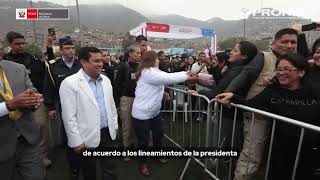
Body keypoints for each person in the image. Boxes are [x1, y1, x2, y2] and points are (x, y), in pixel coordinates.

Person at [216, 53, 320, 180]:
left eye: (287, 69)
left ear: (301, 72)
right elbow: (251, 104)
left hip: (311, 151)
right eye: (279, 69)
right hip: (279, 150)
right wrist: (233, 97)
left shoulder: (315, 91)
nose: (281, 73)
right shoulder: (272, 91)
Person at [222, 28, 299, 180]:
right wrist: (229, 92)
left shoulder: (297, 60)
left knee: (271, 157)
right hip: (258, 114)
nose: (290, 45)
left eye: (293, 42)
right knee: (251, 156)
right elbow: (244, 75)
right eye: (285, 41)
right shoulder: (263, 57)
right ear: (275, 42)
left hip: (282, 117)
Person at [132, 51, 198, 176]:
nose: (159, 60)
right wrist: (186, 76)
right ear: (151, 60)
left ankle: (157, 155)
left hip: (154, 112)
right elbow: (167, 79)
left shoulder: (154, 71)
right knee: (143, 141)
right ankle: (143, 163)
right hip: (142, 114)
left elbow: (169, 75)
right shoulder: (147, 72)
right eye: (157, 58)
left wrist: (186, 73)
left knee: (158, 135)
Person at [59, 47, 118, 180]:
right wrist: (76, 141)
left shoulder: (106, 80)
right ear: (84, 62)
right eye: (96, 61)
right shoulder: (69, 83)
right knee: (89, 173)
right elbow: (68, 116)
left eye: (101, 61)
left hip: (108, 134)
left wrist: (114, 126)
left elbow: (112, 106)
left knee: (111, 170)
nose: (101, 64)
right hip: (86, 138)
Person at [2, 31, 51, 168]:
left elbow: (45, 77)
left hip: (33, 101)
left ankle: (42, 156)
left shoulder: (34, 59)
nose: (21, 46)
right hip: (7, 107)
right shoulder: (4, 61)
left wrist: (39, 96)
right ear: (10, 45)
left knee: (40, 125)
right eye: (17, 44)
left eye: (23, 43)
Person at [42, 36, 82, 180]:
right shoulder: (54, 66)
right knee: (69, 136)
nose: (71, 51)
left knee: (85, 132)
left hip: (84, 105)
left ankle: (85, 160)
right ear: (60, 50)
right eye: (67, 48)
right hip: (65, 106)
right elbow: (49, 88)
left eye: (72, 48)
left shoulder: (81, 64)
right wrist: (51, 107)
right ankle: (74, 166)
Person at [0, 57, 44, 180]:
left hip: (27, 139)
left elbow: (32, 92)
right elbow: (12, 104)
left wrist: (35, 100)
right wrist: (9, 106)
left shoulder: (18, 68)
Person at [114, 45, 141, 160]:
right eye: (137, 53)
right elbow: (117, 85)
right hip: (126, 99)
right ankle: (127, 150)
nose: (140, 55)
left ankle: (135, 146)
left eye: (140, 53)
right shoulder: (123, 67)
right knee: (127, 126)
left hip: (139, 99)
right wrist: (117, 103)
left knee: (137, 124)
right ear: (130, 53)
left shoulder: (141, 67)